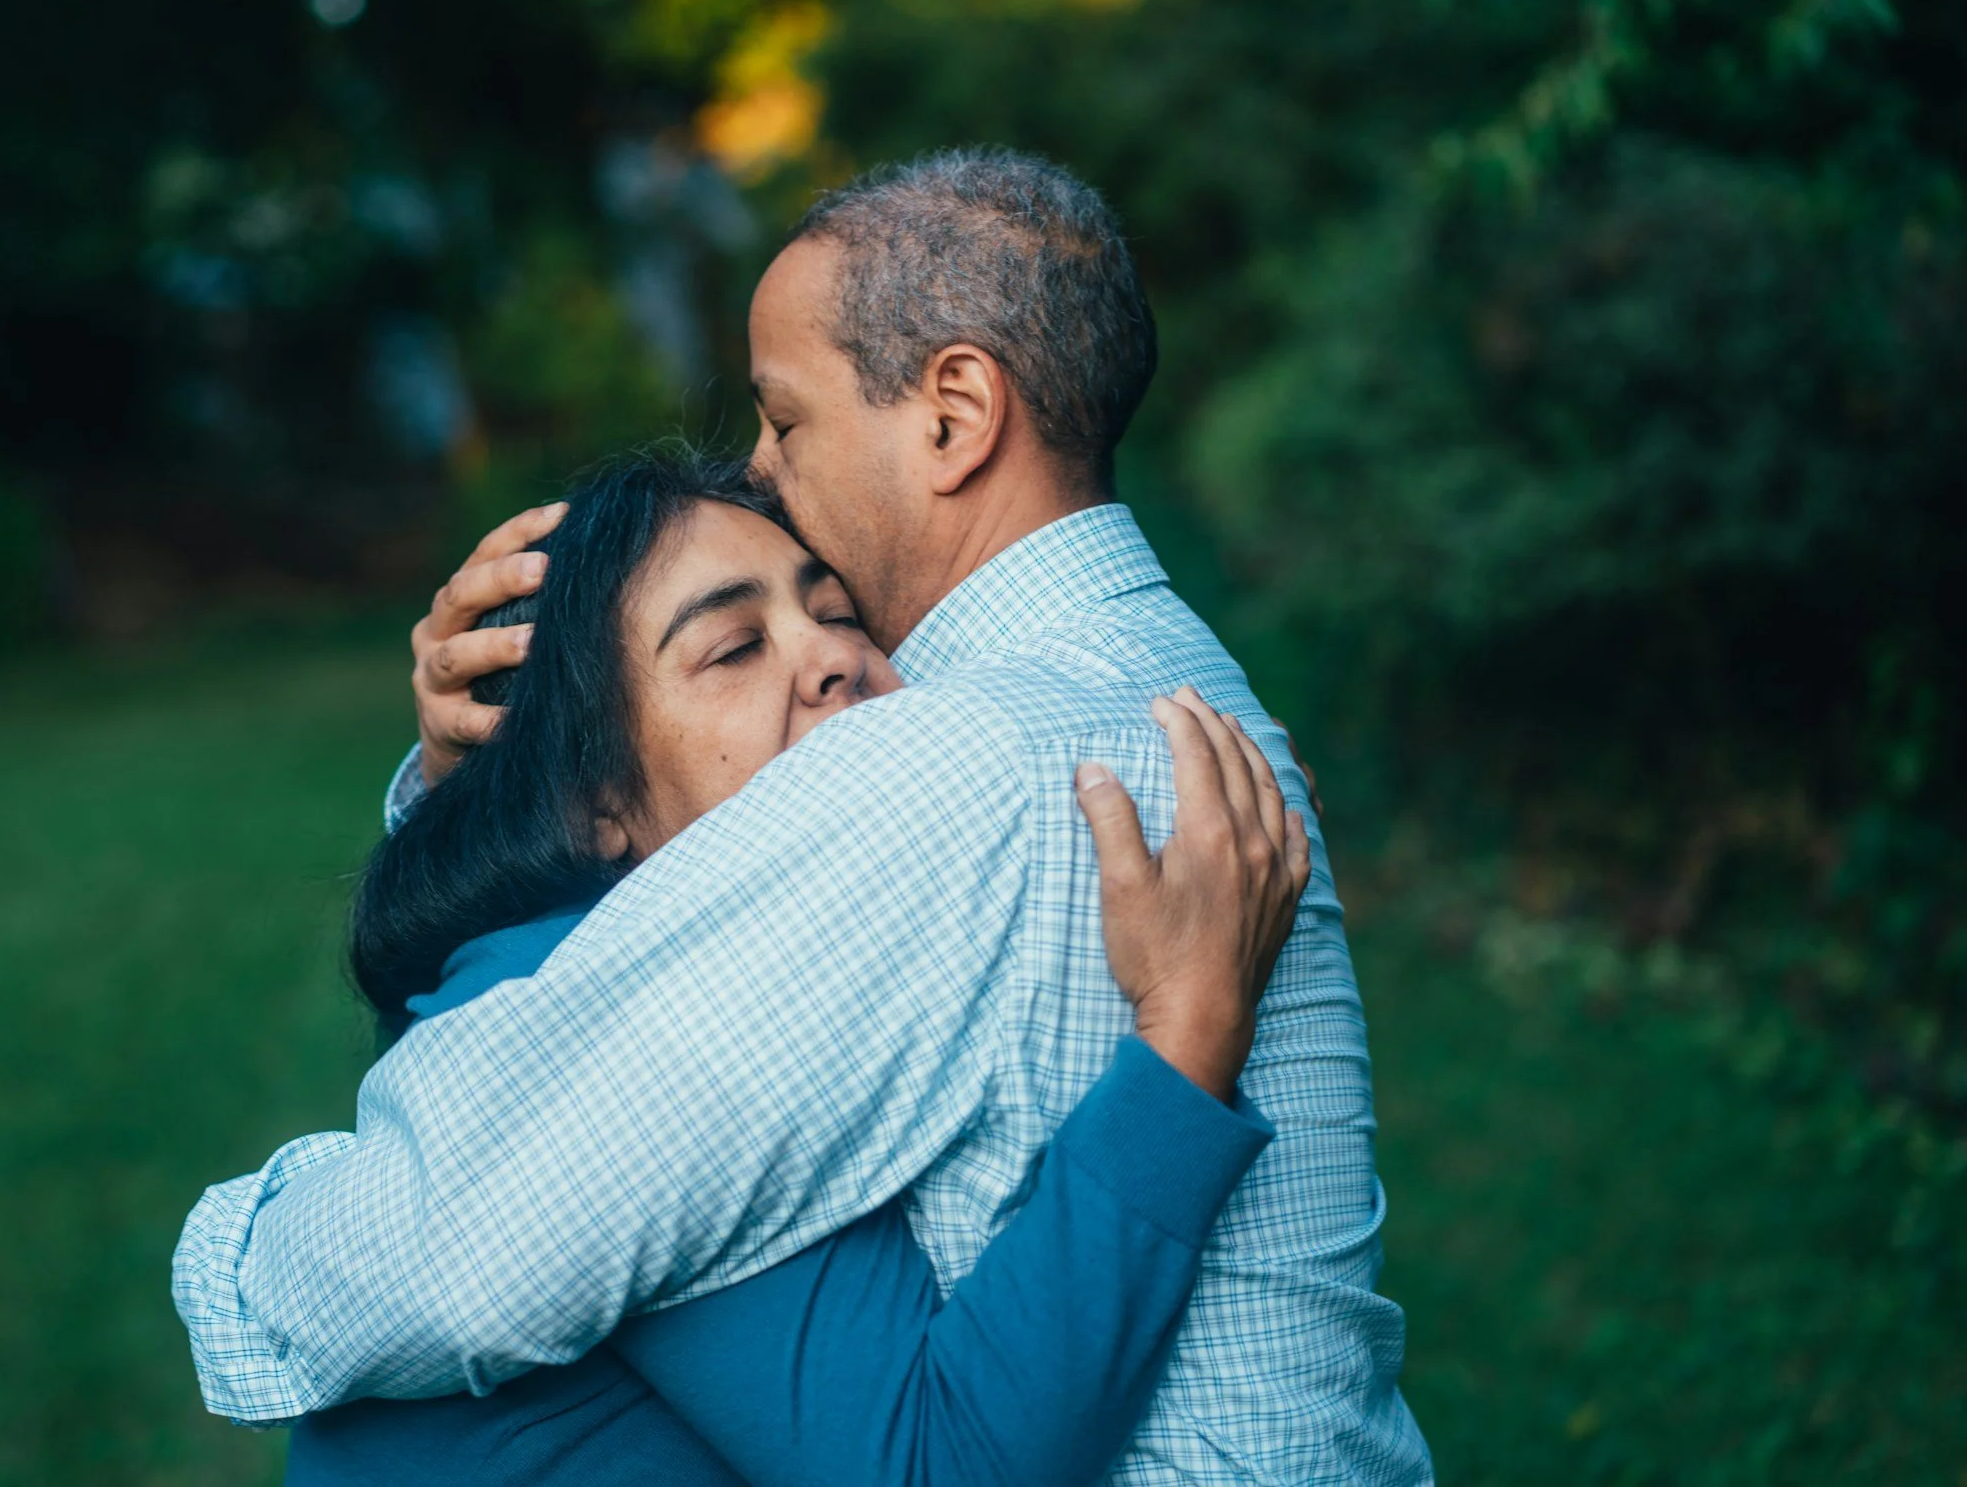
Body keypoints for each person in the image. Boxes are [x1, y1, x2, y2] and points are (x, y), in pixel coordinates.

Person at [177, 148, 1432, 1482]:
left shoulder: (953, 756)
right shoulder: (1173, 686)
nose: (765, 472)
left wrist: (241, 1250)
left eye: (786, 420)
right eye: (733, 645)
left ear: (955, 413)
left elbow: (462, 1246)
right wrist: (485, 774)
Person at [285, 452, 1306, 1483]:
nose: (830, 657)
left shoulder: (651, 945)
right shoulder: (645, 1038)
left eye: (840, 613)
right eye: (733, 648)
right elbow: (938, 1463)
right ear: (593, 804)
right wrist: (1188, 1032)